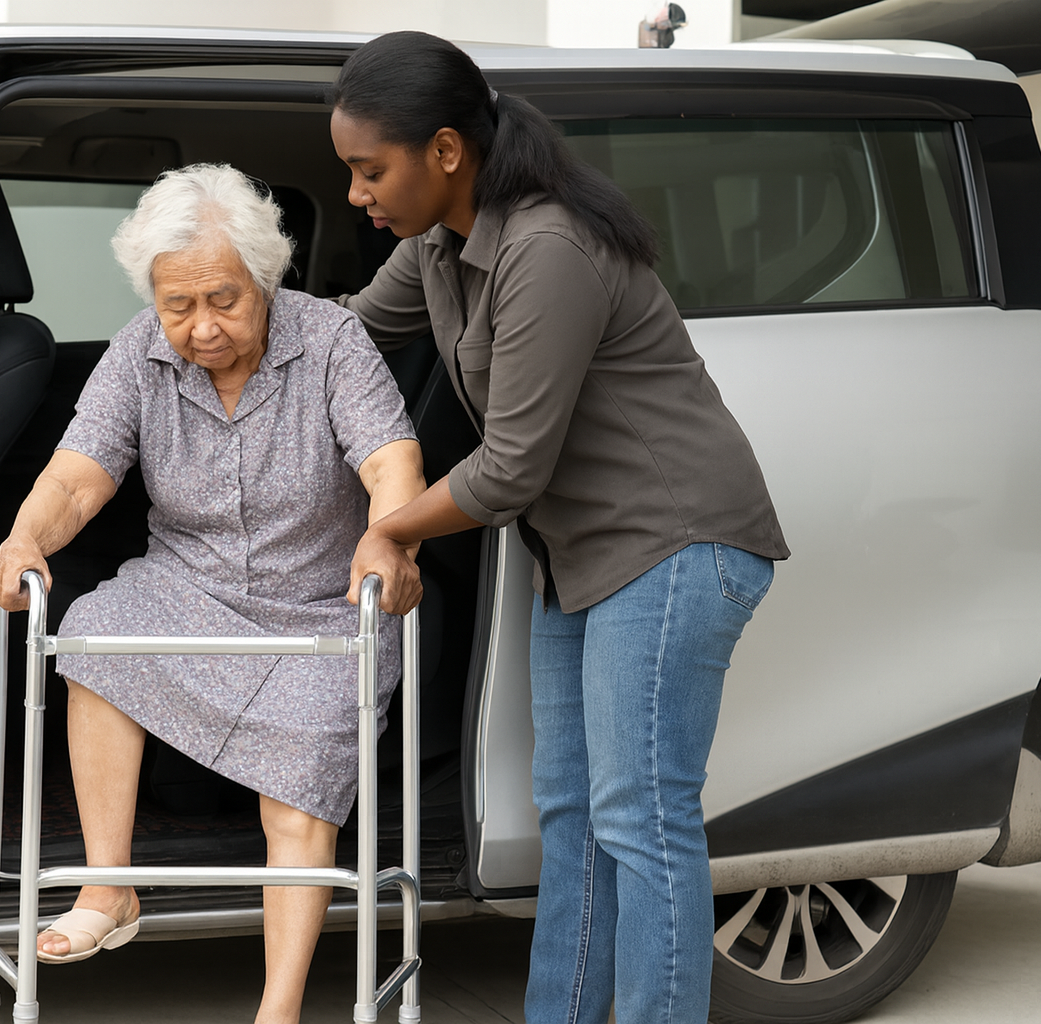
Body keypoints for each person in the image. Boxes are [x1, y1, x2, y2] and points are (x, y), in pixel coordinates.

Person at [328, 32, 790, 1024]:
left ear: (445, 152)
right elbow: (344, 329)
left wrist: (392, 528)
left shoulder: (545, 248)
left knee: (641, 817)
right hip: (577, 559)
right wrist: (206, 318)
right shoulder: (438, 249)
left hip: (673, 543)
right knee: (573, 816)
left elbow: (509, 468)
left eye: (371, 171)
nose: (359, 194)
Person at [0, 163, 425, 1024]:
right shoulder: (137, 350)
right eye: (176, 305)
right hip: (189, 588)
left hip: (322, 604)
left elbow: (389, 461)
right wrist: (26, 537)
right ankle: (110, 888)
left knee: (299, 772)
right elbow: (78, 478)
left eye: (222, 300)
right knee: (94, 631)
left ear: (266, 277)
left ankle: (279, 1010)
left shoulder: (330, 338)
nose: (199, 327)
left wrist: (387, 532)